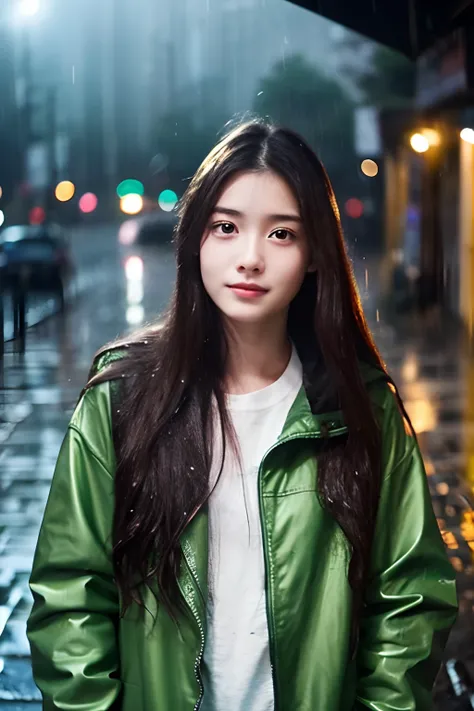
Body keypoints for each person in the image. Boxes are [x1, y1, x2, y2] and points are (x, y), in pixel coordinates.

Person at [26, 119, 458, 711]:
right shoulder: (120, 402)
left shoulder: (363, 410)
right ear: (195, 239)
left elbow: (410, 600)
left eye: (282, 234)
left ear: (313, 255)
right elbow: (71, 598)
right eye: (226, 227)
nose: (250, 258)